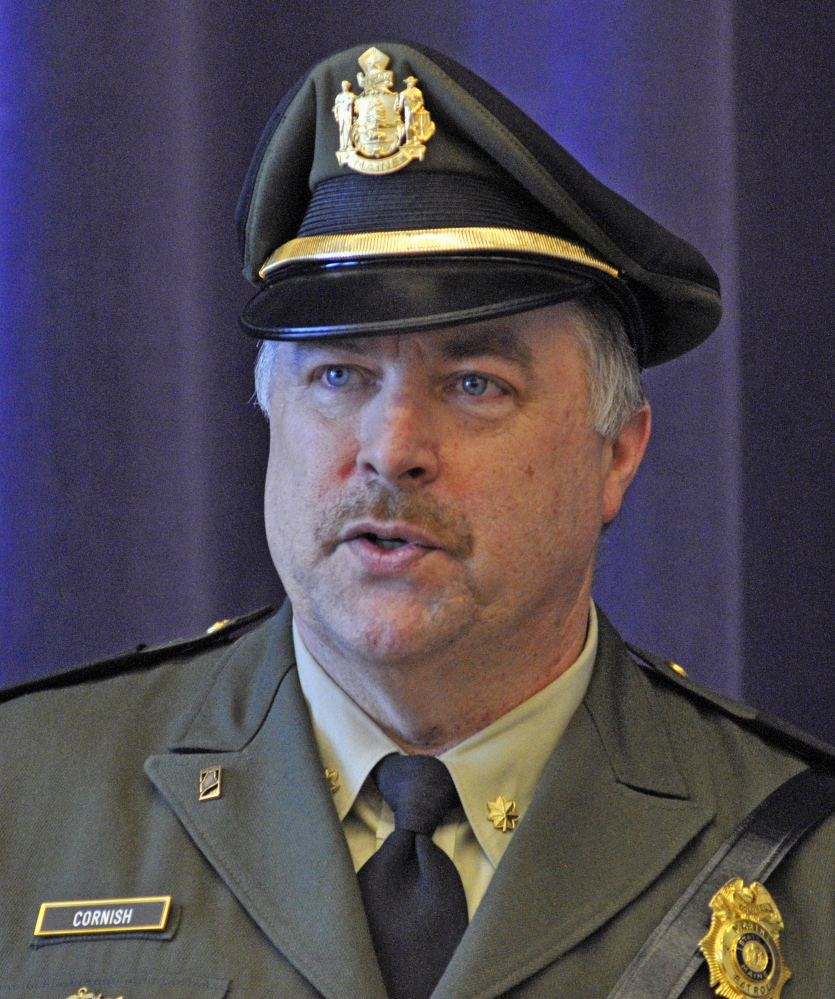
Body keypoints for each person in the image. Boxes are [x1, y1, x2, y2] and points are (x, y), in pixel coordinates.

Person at [0, 40, 833, 999]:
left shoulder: (801, 848)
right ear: (269, 414)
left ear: (616, 452)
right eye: (338, 375)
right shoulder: (26, 795)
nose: (391, 448)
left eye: (474, 383)